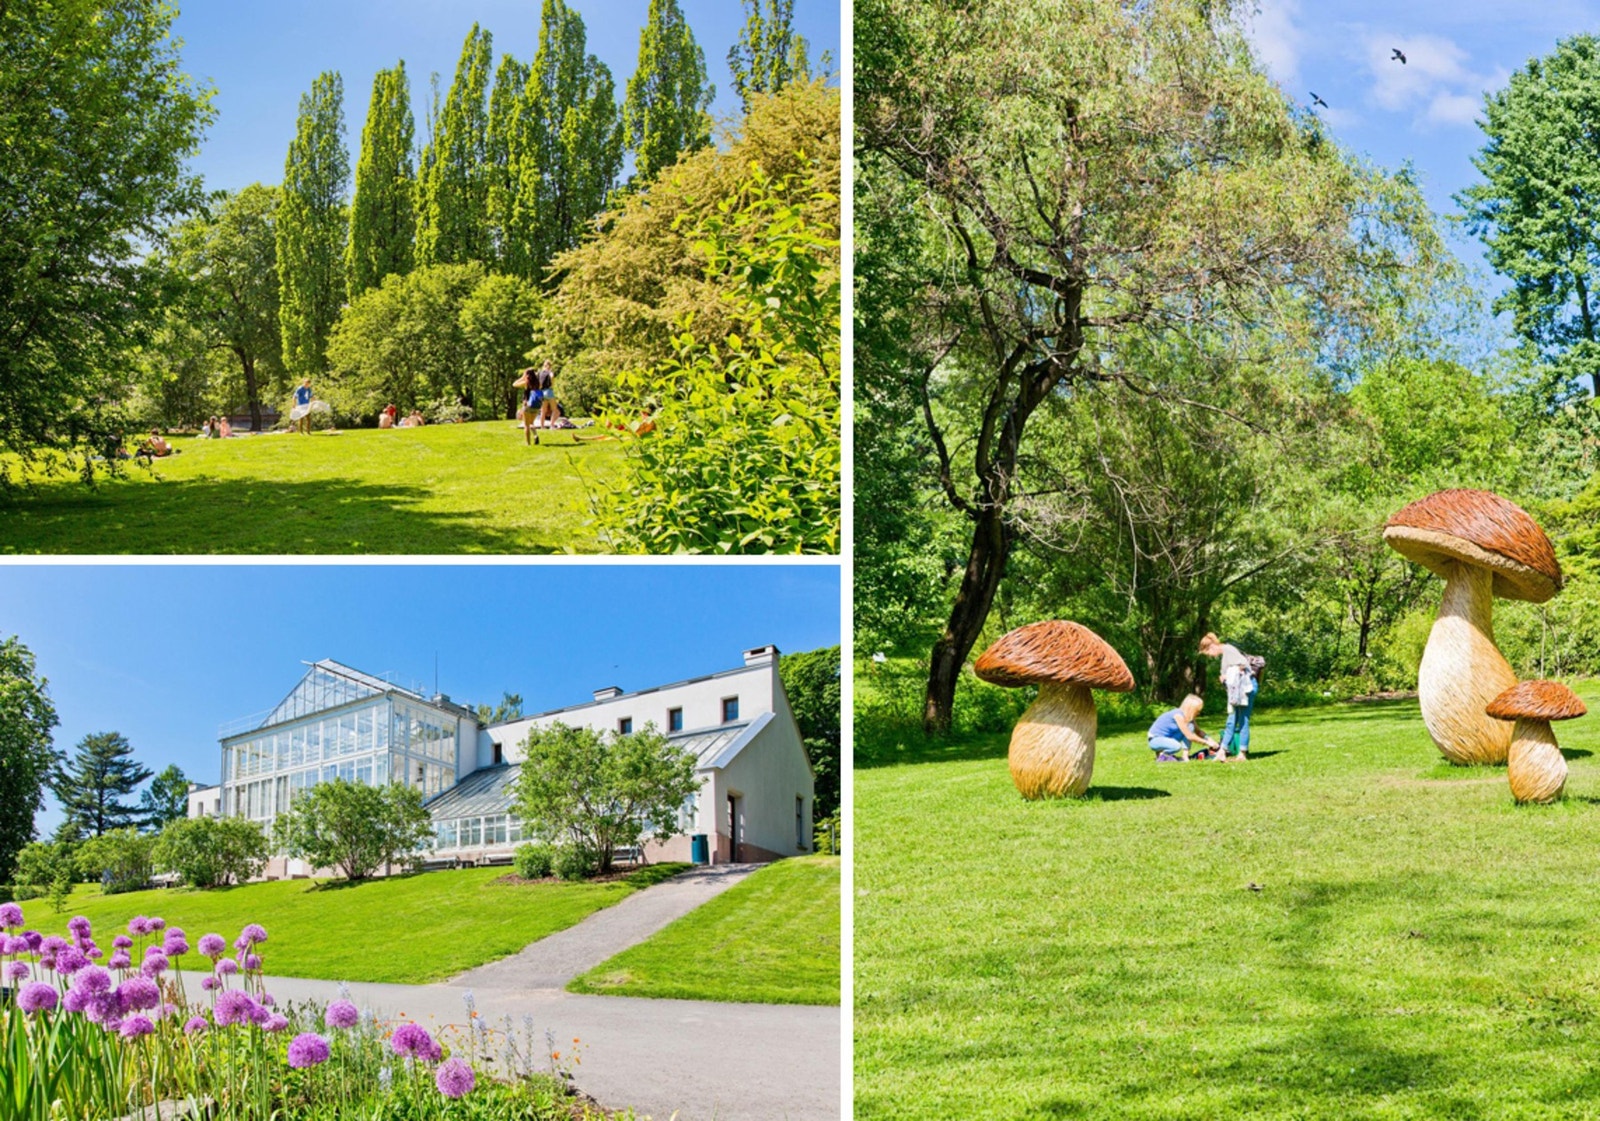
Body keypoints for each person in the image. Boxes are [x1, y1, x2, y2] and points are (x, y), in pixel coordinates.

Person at [1200, 632, 1257, 761]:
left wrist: (1229, 674)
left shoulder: (1228, 650)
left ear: (1212, 646)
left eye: (1208, 652)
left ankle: (1242, 752)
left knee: (1243, 720)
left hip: (1245, 690)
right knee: (1231, 720)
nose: (1210, 656)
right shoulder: (1225, 654)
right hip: (1235, 693)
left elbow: (1243, 665)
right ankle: (1222, 751)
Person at [1147, 694, 1218, 762]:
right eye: (1197, 711)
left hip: (1168, 738)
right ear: (1191, 709)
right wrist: (1207, 743)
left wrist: (1211, 740)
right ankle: (1162, 755)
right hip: (1155, 740)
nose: (1198, 713)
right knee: (1176, 746)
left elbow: (1198, 732)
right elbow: (1189, 736)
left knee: (1190, 726)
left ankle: (1185, 756)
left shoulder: (1189, 718)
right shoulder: (1178, 715)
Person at [535, 359, 557, 431]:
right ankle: (552, 426)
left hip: (542, 392)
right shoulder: (549, 372)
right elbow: (552, 376)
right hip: (548, 391)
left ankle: (542, 427)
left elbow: (538, 382)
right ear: (549, 366)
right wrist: (552, 383)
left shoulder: (540, 372)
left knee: (543, 411)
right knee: (554, 410)